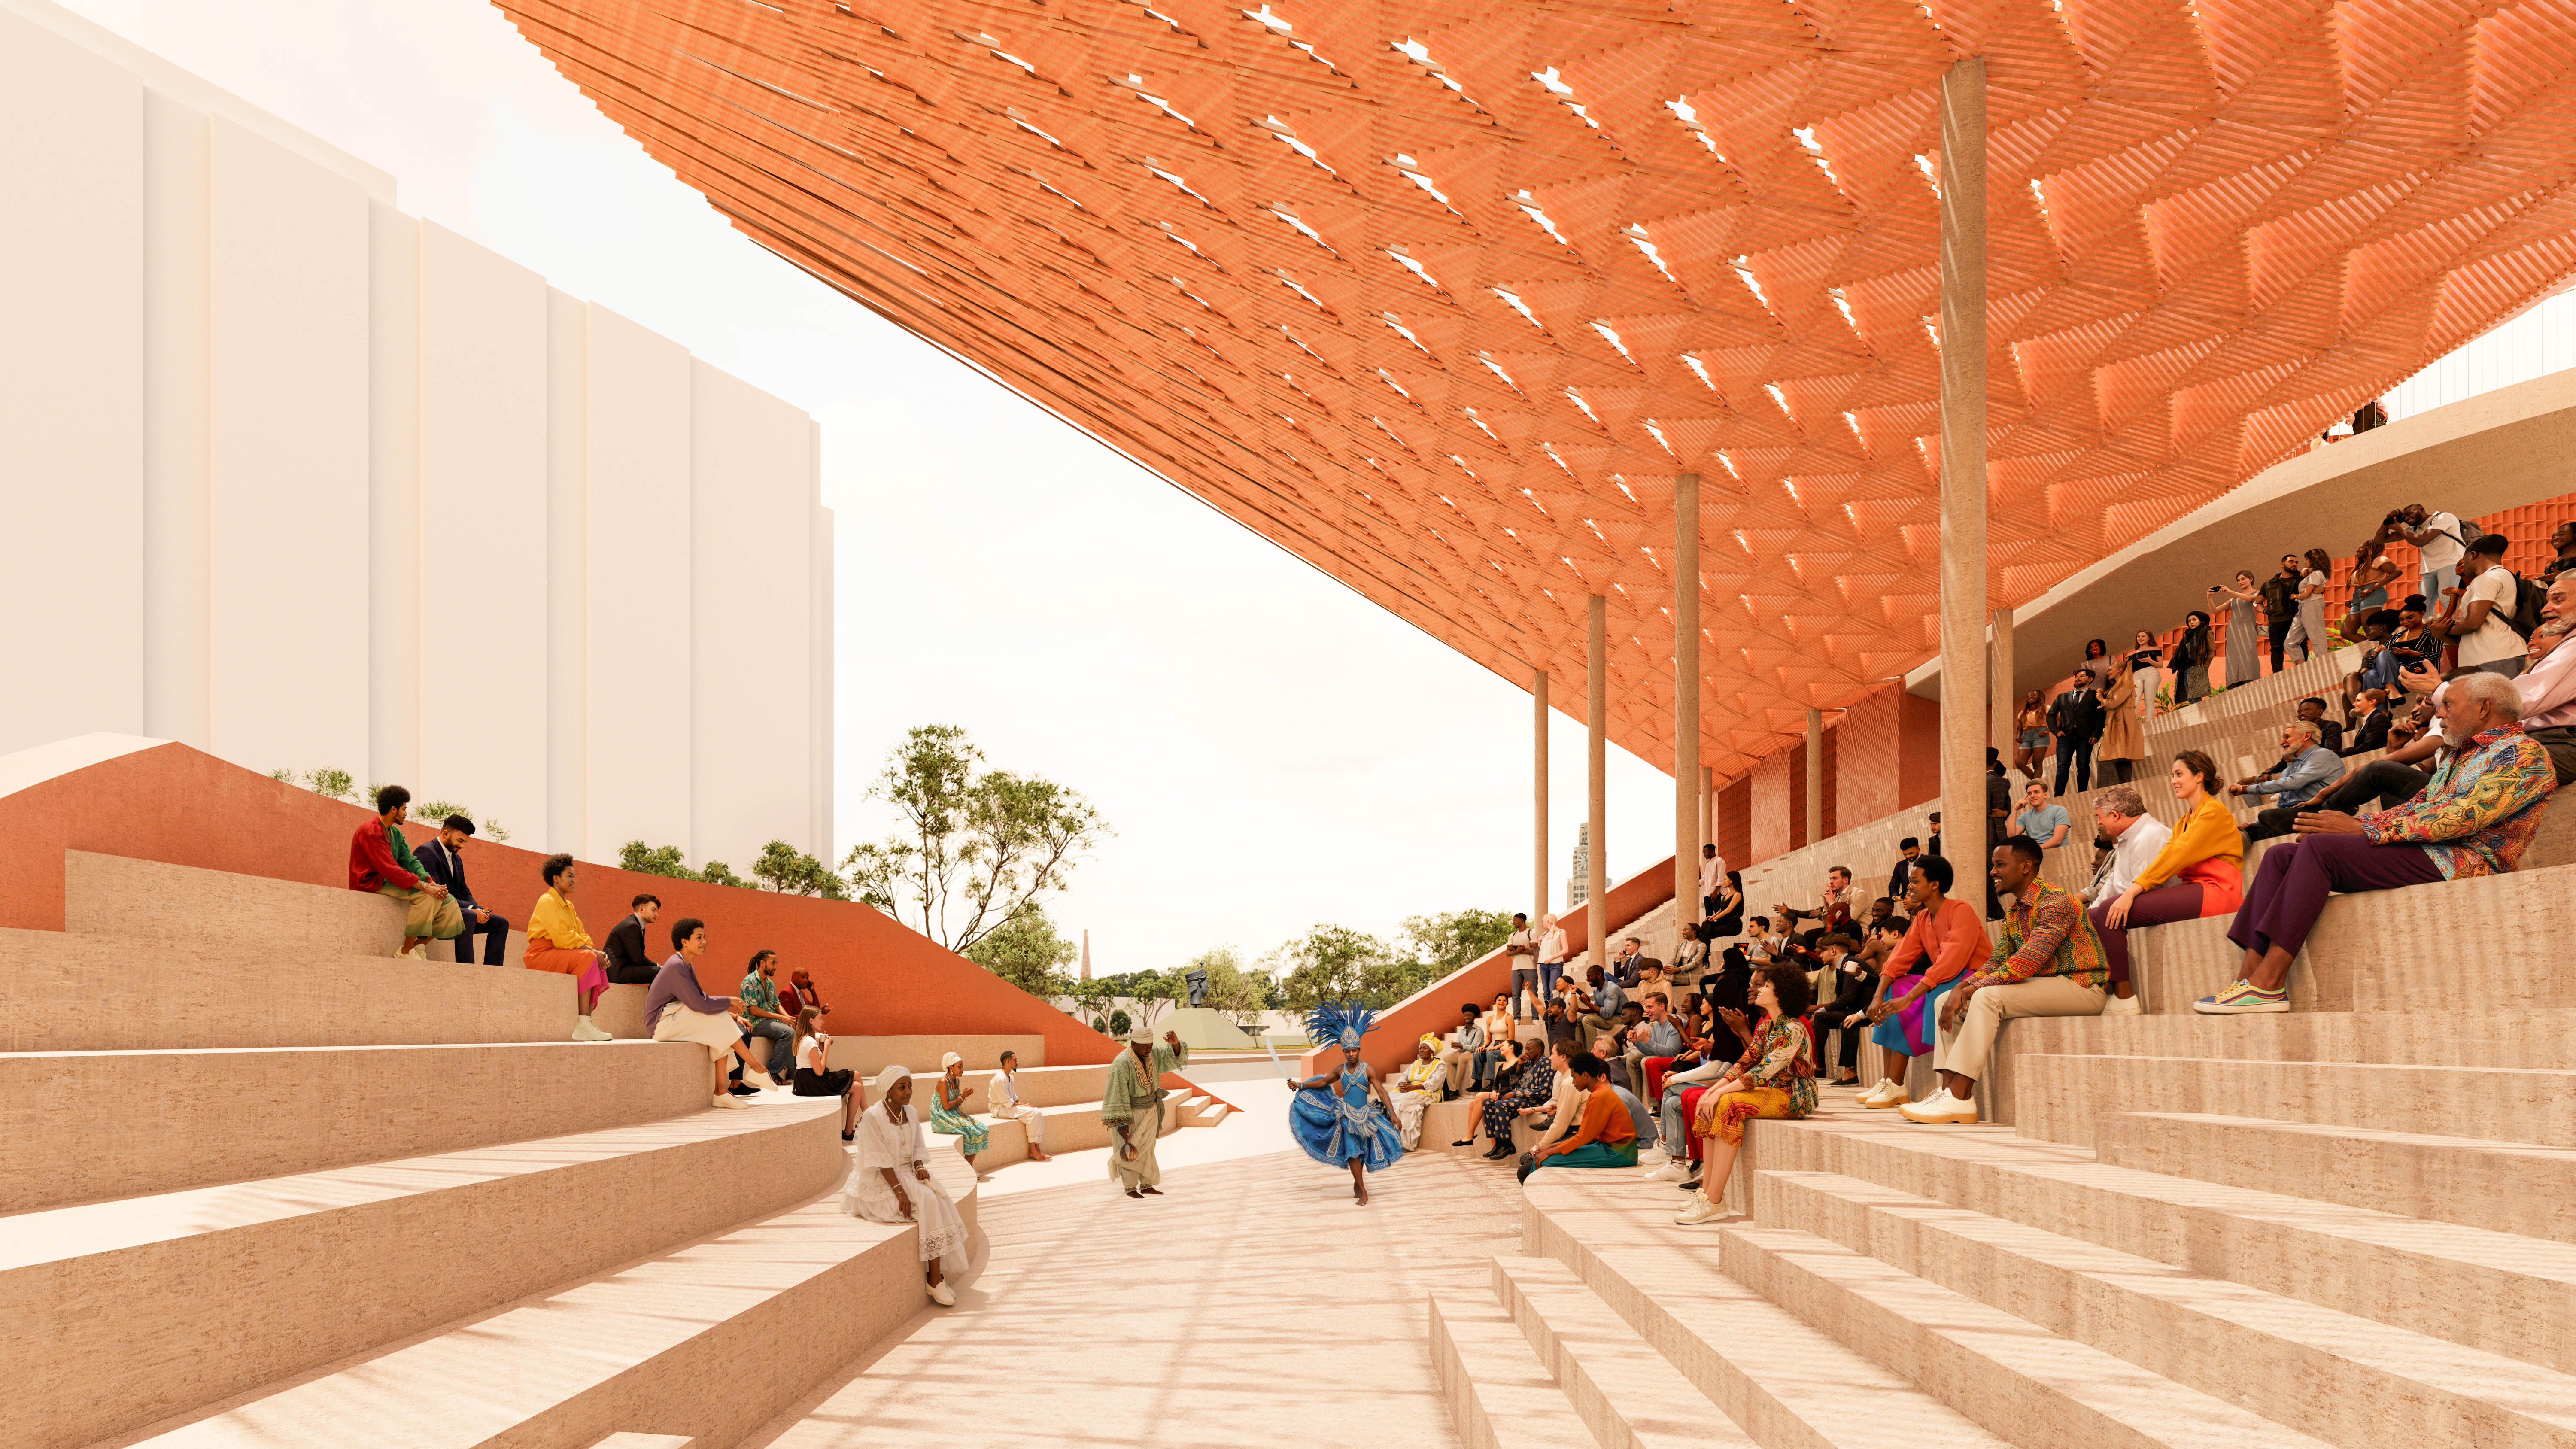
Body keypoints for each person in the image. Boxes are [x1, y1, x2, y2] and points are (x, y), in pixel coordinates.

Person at [2198, 671, 2555, 1014]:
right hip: (2431, 850)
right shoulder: (2459, 755)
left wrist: (2362, 831)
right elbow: (2422, 806)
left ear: (2483, 707)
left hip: (2468, 859)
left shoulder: (2524, 754)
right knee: (2279, 855)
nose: (2440, 714)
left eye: (2448, 705)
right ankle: (2247, 978)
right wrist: (2356, 823)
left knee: (2320, 850)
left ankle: (2269, 984)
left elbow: (2465, 817)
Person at [1899, 839, 2110, 1124]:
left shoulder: (2055, 900)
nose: (1993, 872)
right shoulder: (2016, 912)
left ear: (2025, 867)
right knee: (1943, 999)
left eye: (2000, 865)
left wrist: (1973, 987)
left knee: (1986, 997)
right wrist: (1962, 987)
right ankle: (1947, 1092)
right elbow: (1997, 960)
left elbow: (2029, 960)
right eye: (1992, 865)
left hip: (2081, 986)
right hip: (2047, 985)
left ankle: (1960, 1096)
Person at [1674, 965, 1815, 1223]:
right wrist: (1713, 1091)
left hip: (1792, 1096)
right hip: (1769, 1089)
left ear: (1781, 993)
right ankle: (1706, 1193)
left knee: (1730, 1103)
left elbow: (1762, 1071)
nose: (1758, 989)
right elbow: (1744, 1062)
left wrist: (1720, 1093)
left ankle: (1715, 1201)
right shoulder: (1766, 1026)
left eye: (1766, 986)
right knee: (1706, 1099)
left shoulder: (1793, 1029)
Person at [1856, 855, 1982, 1110]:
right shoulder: (1923, 918)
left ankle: (1947, 1091)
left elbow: (1951, 962)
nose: (1909, 887)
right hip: (1945, 974)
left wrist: (1909, 999)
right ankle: (1893, 1082)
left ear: (1934, 885)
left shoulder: (1961, 910)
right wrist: (1878, 996)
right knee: (1894, 987)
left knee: (1928, 997)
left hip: (1973, 976)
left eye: (1915, 881)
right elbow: (1898, 960)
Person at [841, 1065, 969, 1306]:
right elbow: (879, 1159)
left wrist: (919, 1166)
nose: (908, 1091)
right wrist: (900, 1192)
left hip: (909, 1173)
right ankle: (933, 1279)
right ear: (889, 1090)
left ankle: (937, 1277)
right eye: (902, 1087)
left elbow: (918, 1147)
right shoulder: (873, 1117)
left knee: (939, 1198)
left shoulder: (910, 1112)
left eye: (910, 1086)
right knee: (929, 1202)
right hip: (882, 1180)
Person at [643, 917, 778, 1108]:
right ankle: (755, 1067)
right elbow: (699, 1004)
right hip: (661, 1023)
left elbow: (699, 998)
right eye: (699, 938)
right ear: (685, 942)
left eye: (704, 937)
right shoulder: (676, 965)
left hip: (675, 1015)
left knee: (719, 1024)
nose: (705, 942)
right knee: (719, 1018)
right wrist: (729, 1001)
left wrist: (731, 1014)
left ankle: (721, 1091)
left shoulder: (686, 964)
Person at [1288, 1002, 1403, 1203]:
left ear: (1359, 1050)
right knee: (1353, 1153)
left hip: (1367, 1116)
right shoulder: (1340, 1070)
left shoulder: (1368, 1070)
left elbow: (1382, 1091)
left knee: (1365, 1151)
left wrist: (1392, 1113)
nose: (1351, 1054)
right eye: (1347, 1051)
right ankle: (1364, 1190)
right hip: (1346, 1116)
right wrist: (1301, 1085)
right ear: (1344, 1052)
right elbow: (1324, 1081)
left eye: (1354, 1050)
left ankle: (1357, 1183)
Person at [347, 785, 462, 958]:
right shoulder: (370, 831)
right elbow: (389, 869)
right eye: (404, 809)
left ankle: (419, 945)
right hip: (371, 882)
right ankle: (405, 951)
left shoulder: (395, 833)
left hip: (389, 880)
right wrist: (424, 887)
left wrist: (430, 881)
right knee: (426, 896)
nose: (406, 814)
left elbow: (410, 861)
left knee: (449, 901)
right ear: (394, 809)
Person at [526, 854, 614, 1042]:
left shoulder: (569, 906)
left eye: (574, 876)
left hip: (559, 952)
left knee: (594, 960)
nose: (574, 881)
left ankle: (587, 1024)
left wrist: (595, 951)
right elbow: (562, 937)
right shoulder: (547, 901)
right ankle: (584, 1025)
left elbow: (581, 934)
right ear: (556, 879)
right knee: (590, 958)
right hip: (540, 955)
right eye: (570, 876)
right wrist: (593, 953)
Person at [1519, 1050, 1640, 1182]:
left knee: (1543, 1161)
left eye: (1575, 1077)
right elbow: (1586, 1136)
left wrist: (1548, 1152)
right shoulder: (1599, 1093)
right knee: (1537, 1160)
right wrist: (1548, 1147)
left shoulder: (1599, 1096)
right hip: (1609, 1148)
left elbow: (1583, 1138)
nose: (1573, 1082)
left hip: (1619, 1153)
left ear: (1585, 1075)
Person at [1104, 1024, 1190, 1198]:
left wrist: (1174, 1044)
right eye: (1145, 1047)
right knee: (1131, 1151)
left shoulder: (1152, 1054)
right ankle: (1130, 1188)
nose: (1149, 1050)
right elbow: (1115, 1094)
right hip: (1131, 1114)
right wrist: (1122, 1122)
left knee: (1148, 1149)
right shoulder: (1121, 1064)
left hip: (1151, 1110)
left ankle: (1146, 1184)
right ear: (1134, 1044)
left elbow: (1171, 1057)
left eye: (1151, 1046)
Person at [413, 817, 509, 966]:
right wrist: (472, 910)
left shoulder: (457, 860)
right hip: (434, 908)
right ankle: (466, 970)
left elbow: (464, 892)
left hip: (457, 909)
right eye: (460, 841)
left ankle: (493, 971)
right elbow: (438, 893)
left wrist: (478, 909)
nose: (463, 846)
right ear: (446, 834)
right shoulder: (426, 852)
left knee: (501, 923)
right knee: (469, 916)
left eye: (465, 842)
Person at [2437, 532, 2528, 680]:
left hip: (2493, 657)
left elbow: (2473, 623)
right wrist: (2442, 634)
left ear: (2473, 555)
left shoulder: (2486, 579)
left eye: (2464, 561)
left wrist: (2444, 630)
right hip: (2494, 655)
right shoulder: (2503, 576)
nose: (2463, 565)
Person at [2236, 722, 2345, 841]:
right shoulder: (2288, 771)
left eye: (2287, 737)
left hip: (2324, 811)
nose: (2282, 742)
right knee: (2255, 826)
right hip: (2295, 814)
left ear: (2306, 736)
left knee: (2266, 816)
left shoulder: (2323, 755)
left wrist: (2246, 789)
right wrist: (2257, 823)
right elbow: (2283, 806)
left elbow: (2294, 782)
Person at [1471, 1040, 1562, 1160]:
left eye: (1529, 1049)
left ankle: (1507, 1144)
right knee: (1487, 1103)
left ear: (1539, 1049)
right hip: (1520, 1098)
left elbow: (1544, 1090)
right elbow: (1514, 1084)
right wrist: (1519, 1065)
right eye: (1526, 1049)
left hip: (1534, 1101)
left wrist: (1515, 1094)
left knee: (1500, 1105)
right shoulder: (1528, 1064)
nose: (1526, 1052)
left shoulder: (1545, 1063)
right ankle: (1498, 1145)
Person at [1808, 934, 1875, 1085]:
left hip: (1867, 1011)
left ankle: (1850, 1073)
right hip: (1855, 1009)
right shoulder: (1843, 964)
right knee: (1821, 1018)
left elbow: (1847, 998)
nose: (1819, 955)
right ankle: (1821, 1066)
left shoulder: (1851, 963)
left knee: (1831, 1017)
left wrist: (1822, 1010)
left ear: (1833, 951)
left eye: (1822, 951)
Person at [789, 1006, 859, 1142]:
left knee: (858, 1087)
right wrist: (826, 1048)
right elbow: (820, 1072)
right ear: (811, 1021)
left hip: (805, 1081)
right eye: (820, 1018)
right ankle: (866, 1119)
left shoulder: (803, 1039)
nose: (823, 1022)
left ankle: (850, 1130)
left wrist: (821, 1049)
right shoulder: (809, 1041)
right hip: (813, 1082)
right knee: (855, 1075)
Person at [2390, 502, 2470, 609]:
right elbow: (2380, 539)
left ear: (2421, 510)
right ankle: (2428, 627)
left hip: (2450, 563)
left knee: (2447, 599)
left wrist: (2399, 529)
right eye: (2404, 517)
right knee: (2422, 606)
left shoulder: (2443, 517)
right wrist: (2388, 521)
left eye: (2409, 514)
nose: (2406, 518)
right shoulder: (2413, 530)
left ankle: (2459, 624)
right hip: (2429, 570)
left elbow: (2422, 541)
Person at [737, 949, 797, 1079]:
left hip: (768, 1022)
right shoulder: (750, 981)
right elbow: (754, 1010)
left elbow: (777, 1005)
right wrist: (781, 1018)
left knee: (794, 1029)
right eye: (773, 963)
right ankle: (771, 1074)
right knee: (788, 1033)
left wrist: (789, 1019)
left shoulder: (769, 984)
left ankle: (795, 1072)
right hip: (753, 1022)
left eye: (776, 963)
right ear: (763, 963)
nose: (775, 967)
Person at [983, 1048, 1049, 1161]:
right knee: (1033, 1114)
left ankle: (1038, 1148)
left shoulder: (1010, 1077)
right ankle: (1032, 1150)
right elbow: (1007, 1103)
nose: (1017, 1063)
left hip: (1007, 1106)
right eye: (1015, 1060)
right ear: (1008, 1062)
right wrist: (1023, 1105)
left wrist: (1023, 1105)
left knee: (1038, 1112)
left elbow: (1013, 1098)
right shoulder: (1000, 1079)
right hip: (999, 1109)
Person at [2049, 671, 2105, 796]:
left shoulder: (2095, 696)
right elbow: (2051, 716)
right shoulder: (2062, 697)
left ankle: (2082, 795)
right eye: (2077, 677)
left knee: (2084, 766)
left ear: (2090, 679)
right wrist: (2056, 731)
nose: (2078, 678)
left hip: (2086, 737)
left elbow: (2100, 716)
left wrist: (2096, 734)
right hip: (2065, 737)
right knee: (2062, 766)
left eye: (2082, 676)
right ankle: (2058, 796)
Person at [1622, 993, 1685, 1098]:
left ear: (1662, 1007)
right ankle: (1640, 1101)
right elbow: (1653, 1051)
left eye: (1650, 1007)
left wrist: (1647, 1040)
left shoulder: (1674, 1022)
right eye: (1646, 1007)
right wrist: (1637, 1042)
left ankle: (1658, 1103)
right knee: (1633, 1059)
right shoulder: (1656, 1024)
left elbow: (1672, 1053)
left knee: (1646, 1061)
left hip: (1680, 1061)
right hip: (1664, 1058)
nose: (1646, 1011)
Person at [1389, 1035, 1444, 1149]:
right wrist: (1402, 1085)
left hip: (1428, 1092)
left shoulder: (1440, 1065)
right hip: (1411, 1089)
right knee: (1391, 1097)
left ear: (1432, 1051)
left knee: (1406, 1100)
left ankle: (1403, 1142)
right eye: (1421, 1048)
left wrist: (1413, 1088)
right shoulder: (1416, 1063)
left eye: (1425, 1048)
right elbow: (1404, 1076)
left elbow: (1435, 1084)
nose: (1421, 1051)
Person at [2343, 536, 2401, 642]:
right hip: (2359, 597)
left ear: (2371, 548)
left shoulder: (2379, 560)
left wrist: (2371, 589)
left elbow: (2397, 572)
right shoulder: (2363, 566)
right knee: (2347, 632)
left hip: (2373, 593)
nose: (2358, 550)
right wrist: (2354, 600)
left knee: (2370, 629)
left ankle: (2385, 650)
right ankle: (2374, 649)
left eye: (2362, 547)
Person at [2098, 656, 2145, 783]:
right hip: (2118, 724)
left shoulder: (2126, 684)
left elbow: (2114, 703)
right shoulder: (2120, 685)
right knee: (2120, 758)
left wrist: (2102, 699)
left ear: (2119, 670)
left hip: (2122, 725)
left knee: (2110, 757)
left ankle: (2110, 789)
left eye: (2110, 670)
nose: (2108, 672)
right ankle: (2119, 787)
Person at [2284, 547, 2333, 665]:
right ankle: (2303, 668)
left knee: (2317, 638)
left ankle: (2323, 668)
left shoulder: (2316, 574)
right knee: (2290, 642)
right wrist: (2307, 569)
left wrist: (2294, 596)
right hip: (2303, 607)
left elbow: (2306, 594)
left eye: (2307, 560)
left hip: (2311, 605)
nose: (2304, 562)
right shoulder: (2312, 573)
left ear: (2315, 560)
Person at [601, 893, 662, 984]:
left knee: (660, 972)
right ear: (642, 909)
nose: (656, 914)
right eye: (653, 910)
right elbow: (638, 960)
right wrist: (658, 966)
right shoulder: (631, 926)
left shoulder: (636, 925)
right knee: (660, 972)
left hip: (623, 969)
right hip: (617, 973)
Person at [1776, 866, 1853, 937]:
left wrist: (1824, 910)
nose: (1831, 882)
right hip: (1834, 930)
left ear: (1846, 880)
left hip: (1848, 932)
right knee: (1810, 935)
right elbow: (1812, 914)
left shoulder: (1855, 895)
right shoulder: (1836, 897)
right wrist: (1789, 911)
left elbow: (1847, 920)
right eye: (1831, 879)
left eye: (1835, 878)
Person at [2217, 570, 2262, 687]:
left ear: (2251, 579)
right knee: (2233, 658)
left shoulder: (2257, 593)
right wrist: (2209, 598)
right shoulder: (2233, 600)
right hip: (2233, 632)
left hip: (2248, 631)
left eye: (2243, 579)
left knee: (2249, 655)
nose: (2240, 582)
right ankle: (2234, 683)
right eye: (2238, 580)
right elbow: (2215, 610)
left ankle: (2250, 680)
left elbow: (2250, 599)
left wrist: (2231, 591)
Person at [2260, 555, 2304, 673]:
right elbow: (2257, 603)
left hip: (2297, 619)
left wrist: (2322, 590)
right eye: (2291, 562)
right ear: (2282, 564)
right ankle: (2277, 678)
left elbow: (2315, 588)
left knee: (2301, 645)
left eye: (2297, 562)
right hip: (2275, 622)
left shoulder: (2302, 579)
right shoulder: (2269, 584)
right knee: (2276, 650)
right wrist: (2263, 610)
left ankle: (2304, 674)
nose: (2295, 564)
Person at [1440, 1002, 1491, 1097]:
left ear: (1475, 1017)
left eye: (1470, 1015)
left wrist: (1461, 1046)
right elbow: (1460, 1044)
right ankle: (1451, 1089)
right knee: (1447, 1058)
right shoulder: (1461, 1031)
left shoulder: (1479, 1030)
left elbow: (1475, 1047)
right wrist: (1455, 1045)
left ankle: (1457, 1089)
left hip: (1476, 1053)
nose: (1467, 1017)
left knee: (1462, 1057)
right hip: (1463, 1051)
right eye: (1465, 1015)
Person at [2169, 610, 2215, 704]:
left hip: (2197, 667)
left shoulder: (2206, 632)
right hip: (2185, 669)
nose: (2192, 623)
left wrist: (2204, 668)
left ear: (2201, 621)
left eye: (2194, 620)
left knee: (2196, 698)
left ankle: (2202, 718)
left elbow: (2211, 652)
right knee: (2190, 699)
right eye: (2189, 621)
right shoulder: (2188, 636)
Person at [1577, 963, 1626, 1051]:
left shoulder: (1612, 989)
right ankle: (1582, 1051)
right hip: (1610, 1017)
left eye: (1589, 976)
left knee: (1587, 1020)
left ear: (1599, 975)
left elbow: (1607, 1014)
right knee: (1579, 1019)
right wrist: (1580, 1010)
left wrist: (1586, 1003)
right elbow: (1596, 1010)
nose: (1587, 979)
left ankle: (1594, 1052)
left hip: (1620, 1018)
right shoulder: (1596, 991)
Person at [2014, 781, 2071, 850]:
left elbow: (2058, 839)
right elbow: (2011, 837)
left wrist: (2035, 851)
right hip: (2035, 856)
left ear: (2045, 795)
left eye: (2036, 792)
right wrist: (2015, 809)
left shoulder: (2059, 811)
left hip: (2058, 854)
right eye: (2030, 794)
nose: (2032, 796)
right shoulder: (2025, 817)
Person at [2124, 628, 2164, 723]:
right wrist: (2127, 666)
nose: (2140, 638)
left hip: (2151, 673)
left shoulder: (2155, 649)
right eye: (2138, 636)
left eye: (2143, 636)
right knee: (2133, 701)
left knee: (2149, 701)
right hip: (2137, 675)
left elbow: (2161, 665)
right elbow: (2129, 671)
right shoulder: (2131, 654)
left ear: (2149, 638)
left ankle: (2149, 725)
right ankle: (2132, 725)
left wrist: (2150, 661)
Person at [2013, 690, 2052, 780]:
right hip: (2026, 737)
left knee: (2037, 762)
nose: (2030, 696)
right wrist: (2018, 736)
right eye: (2029, 695)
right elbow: (2020, 727)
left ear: (2040, 697)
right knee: (2020, 763)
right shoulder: (2022, 713)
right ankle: (2035, 782)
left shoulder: (2046, 709)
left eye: (2034, 695)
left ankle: (2035, 784)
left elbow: (2057, 721)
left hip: (2040, 735)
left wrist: (2047, 731)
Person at [2343, 689, 2393, 757]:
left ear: (2372, 702)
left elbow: (2366, 748)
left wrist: (2338, 753)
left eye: (2358, 701)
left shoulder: (2379, 719)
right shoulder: (2371, 719)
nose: (2354, 704)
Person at [1886, 838, 1923, 902]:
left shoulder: (1930, 862)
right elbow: (1894, 884)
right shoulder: (1900, 865)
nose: (1908, 857)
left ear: (1918, 850)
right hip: (1908, 902)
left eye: (1911, 853)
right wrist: (1895, 897)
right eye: (1905, 854)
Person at [1699, 842, 1725, 914]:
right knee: (1709, 917)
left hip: (1715, 894)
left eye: (1705, 852)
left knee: (1719, 915)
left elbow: (1721, 878)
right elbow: (1704, 879)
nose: (1704, 854)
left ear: (1711, 851)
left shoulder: (1720, 861)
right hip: (1707, 894)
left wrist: (1715, 892)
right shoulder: (1708, 864)